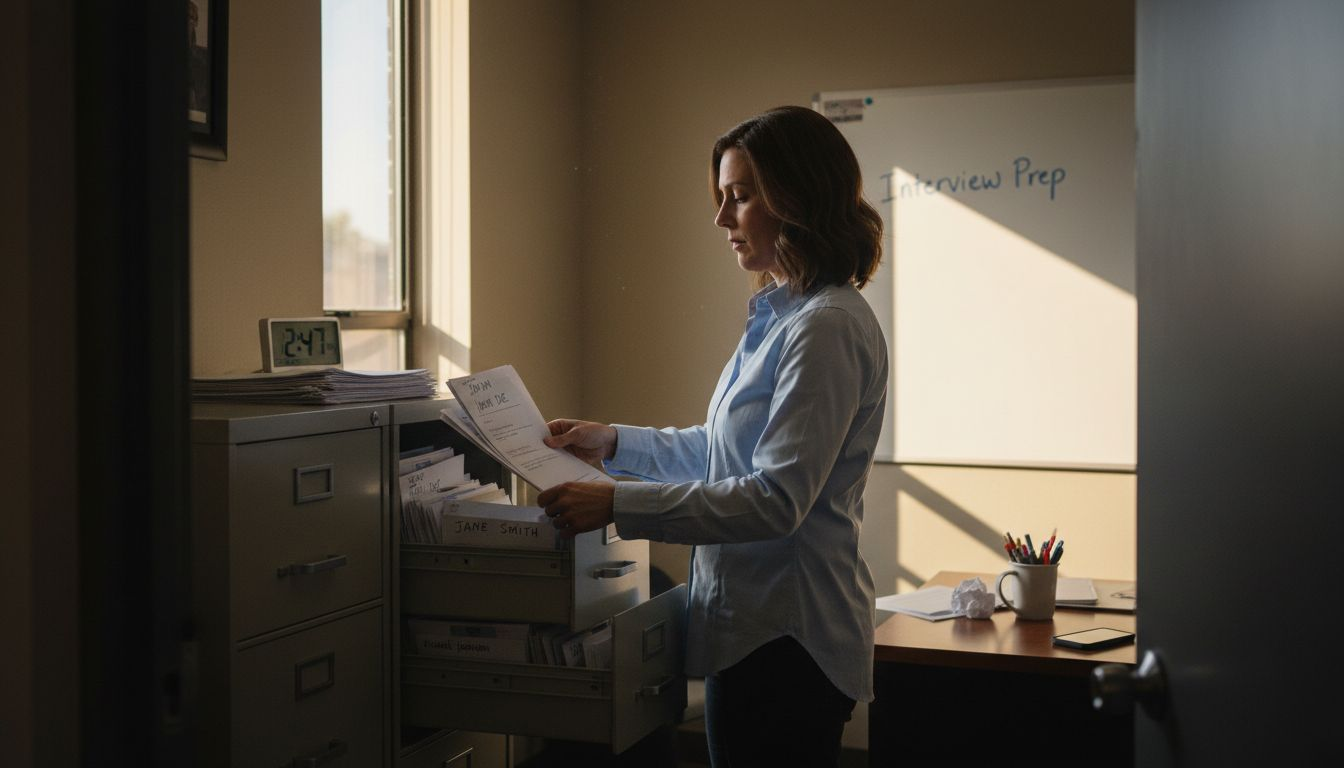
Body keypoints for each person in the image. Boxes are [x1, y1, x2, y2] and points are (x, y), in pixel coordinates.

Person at [537, 105, 886, 768]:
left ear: (798, 196)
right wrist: (613, 443)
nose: (722, 219)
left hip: (787, 642)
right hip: (751, 634)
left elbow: (775, 500)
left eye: (741, 196)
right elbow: (719, 453)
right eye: (722, 197)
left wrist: (617, 505)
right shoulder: (783, 315)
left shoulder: (826, 327)